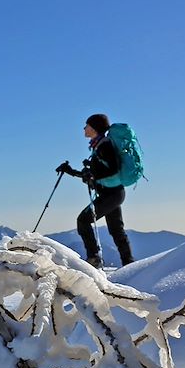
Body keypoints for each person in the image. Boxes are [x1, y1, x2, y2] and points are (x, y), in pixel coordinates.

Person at [56, 114, 134, 269]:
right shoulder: (99, 145)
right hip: (113, 194)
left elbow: (111, 169)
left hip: (111, 194)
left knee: (83, 221)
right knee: (116, 230)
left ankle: (94, 258)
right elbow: (96, 175)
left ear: (94, 128)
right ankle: (129, 264)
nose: (84, 128)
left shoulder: (104, 145)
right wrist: (71, 171)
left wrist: (91, 174)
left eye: (87, 126)